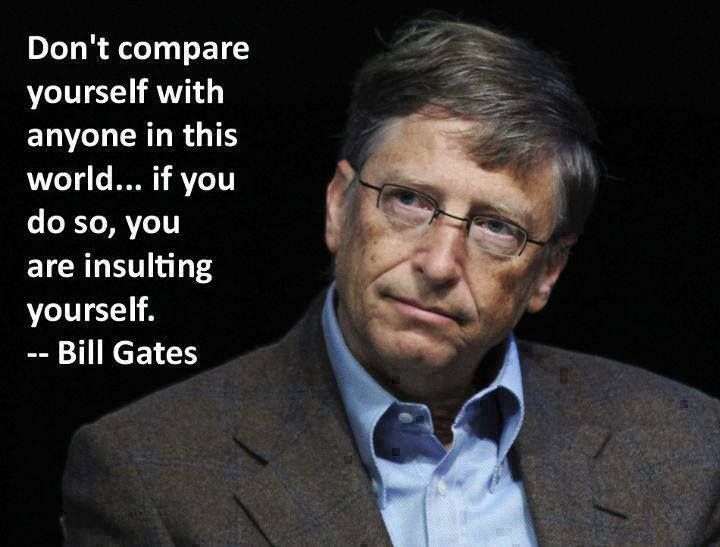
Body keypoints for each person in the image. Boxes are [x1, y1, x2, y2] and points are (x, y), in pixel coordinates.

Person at [62, 16, 720, 546]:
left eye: (496, 227)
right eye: (408, 200)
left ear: (547, 271)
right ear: (338, 207)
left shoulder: (691, 452)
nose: (439, 263)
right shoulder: (148, 475)